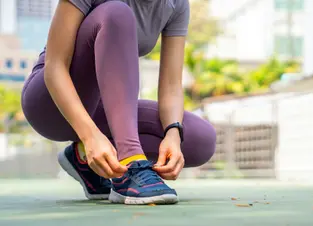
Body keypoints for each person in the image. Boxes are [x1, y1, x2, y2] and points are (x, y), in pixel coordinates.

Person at [21, 0, 216, 205]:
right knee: (117, 12)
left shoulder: (175, 4)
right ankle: (130, 162)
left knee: (198, 139)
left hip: (102, 108)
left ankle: (81, 159)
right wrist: (90, 136)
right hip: (51, 103)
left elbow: (171, 85)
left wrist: (173, 133)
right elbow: (55, 67)